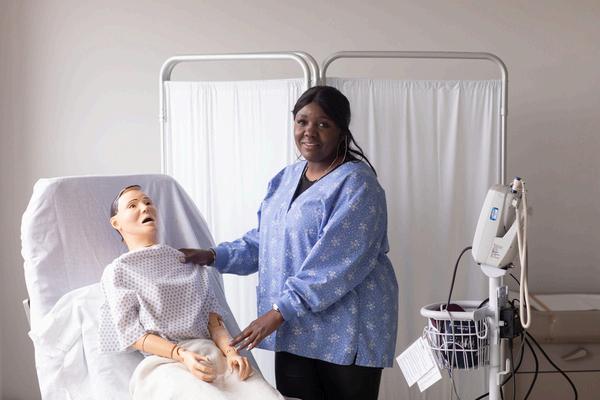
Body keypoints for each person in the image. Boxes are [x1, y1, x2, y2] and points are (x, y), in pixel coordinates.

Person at [182, 85, 399, 400]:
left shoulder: (358, 185)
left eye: (323, 124)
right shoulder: (285, 178)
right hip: (295, 328)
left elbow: (336, 263)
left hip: (346, 329)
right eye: (302, 122)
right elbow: (266, 242)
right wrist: (215, 256)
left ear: (342, 131)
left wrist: (276, 312)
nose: (309, 131)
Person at [98, 185, 283, 400]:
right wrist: (182, 355)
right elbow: (132, 336)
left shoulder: (187, 262)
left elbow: (214, 324)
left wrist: (232, 353)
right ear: (116, 223)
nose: (145, 207)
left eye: (148, 202)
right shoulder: (118, 272)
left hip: (213, 355)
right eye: (132, 205)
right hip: (165, 365)